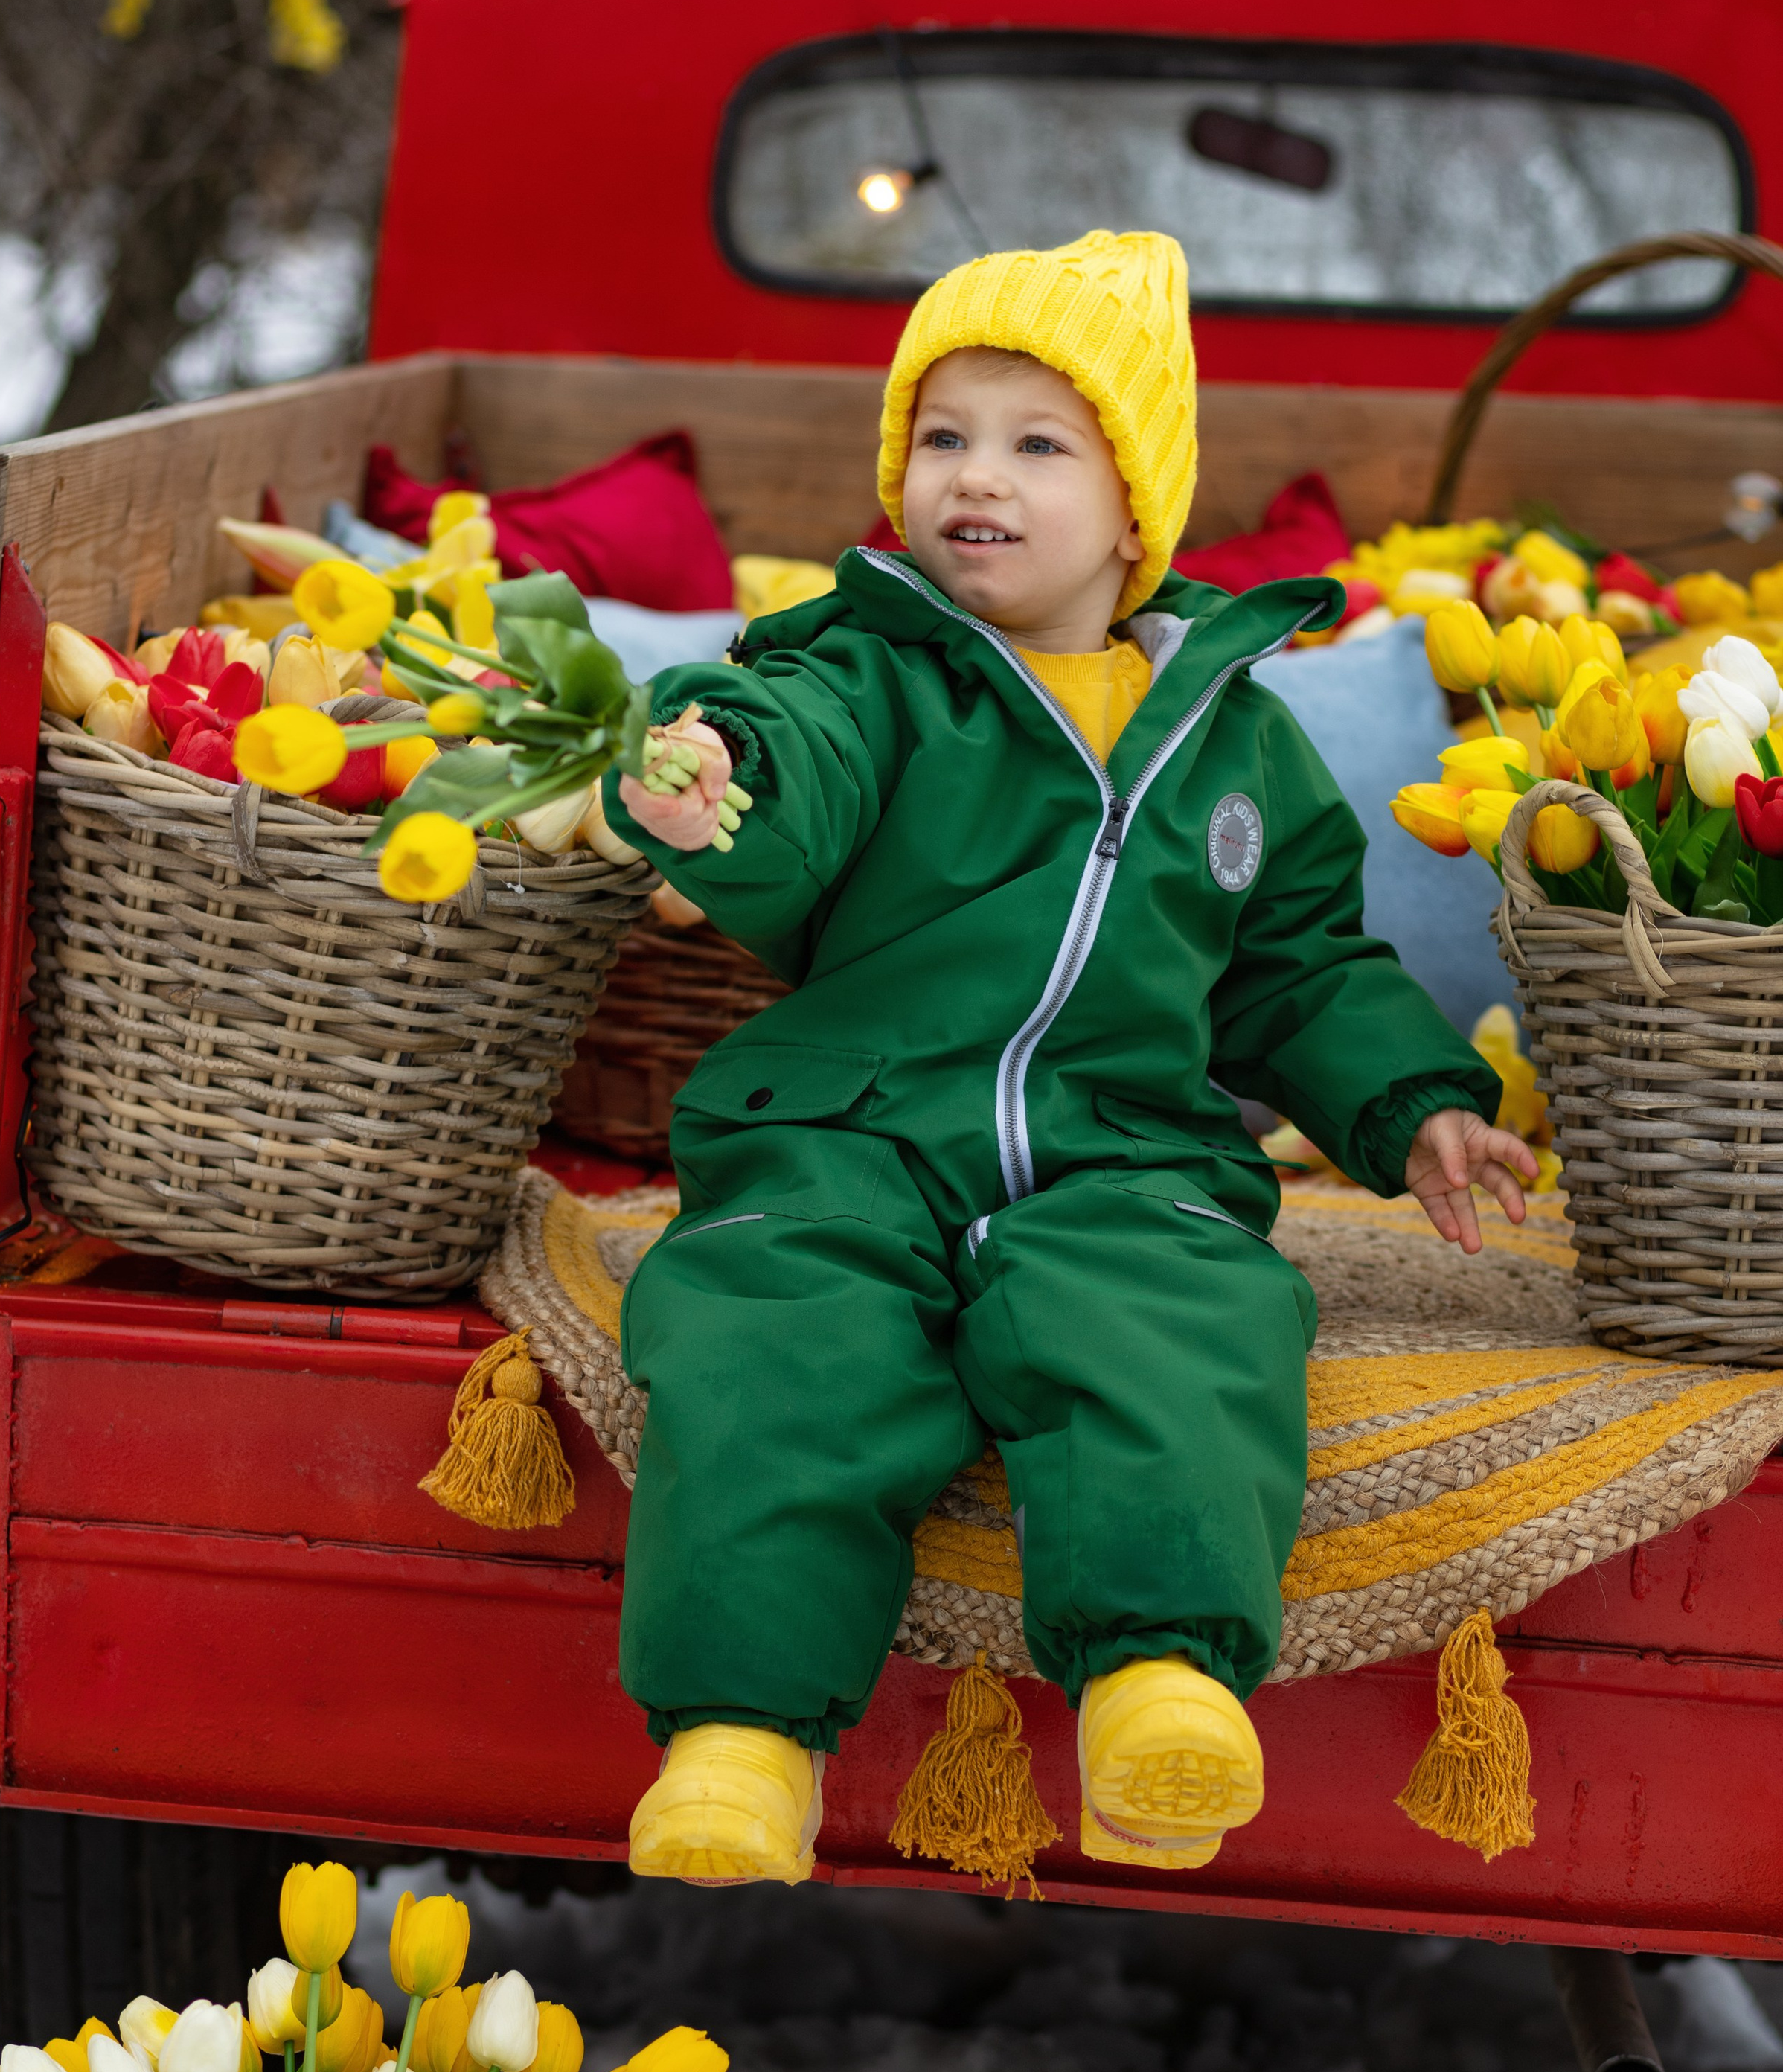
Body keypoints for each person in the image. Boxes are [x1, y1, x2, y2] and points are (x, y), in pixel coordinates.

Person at [599, 228, 1534, 1890]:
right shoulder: (862, 669)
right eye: (941, 437)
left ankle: (1157, 1683)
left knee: (1182, 1321)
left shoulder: (1227, 727)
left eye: (1038, 444)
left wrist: (1414, 1104)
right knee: (769, 1337)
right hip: (846, 1122)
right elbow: (783, 772)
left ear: (1133, 510)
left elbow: (1296, 961)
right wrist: (707, 785)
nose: (976, 478)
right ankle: (739, 1739)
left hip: (1121, 1139)